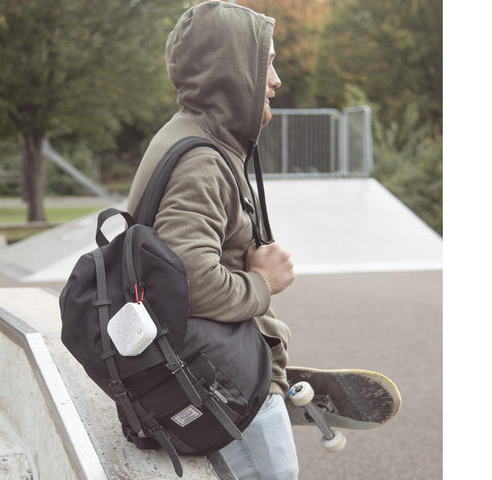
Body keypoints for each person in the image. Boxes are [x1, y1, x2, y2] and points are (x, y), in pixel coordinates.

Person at [127, 1, 298, 478]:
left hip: (207, 371)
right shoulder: (201, 160)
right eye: (267, 64)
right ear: (233, 70)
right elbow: (188, 281)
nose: (276, 80)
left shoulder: (193, 138)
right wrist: (263, 282)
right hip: (223, 385)